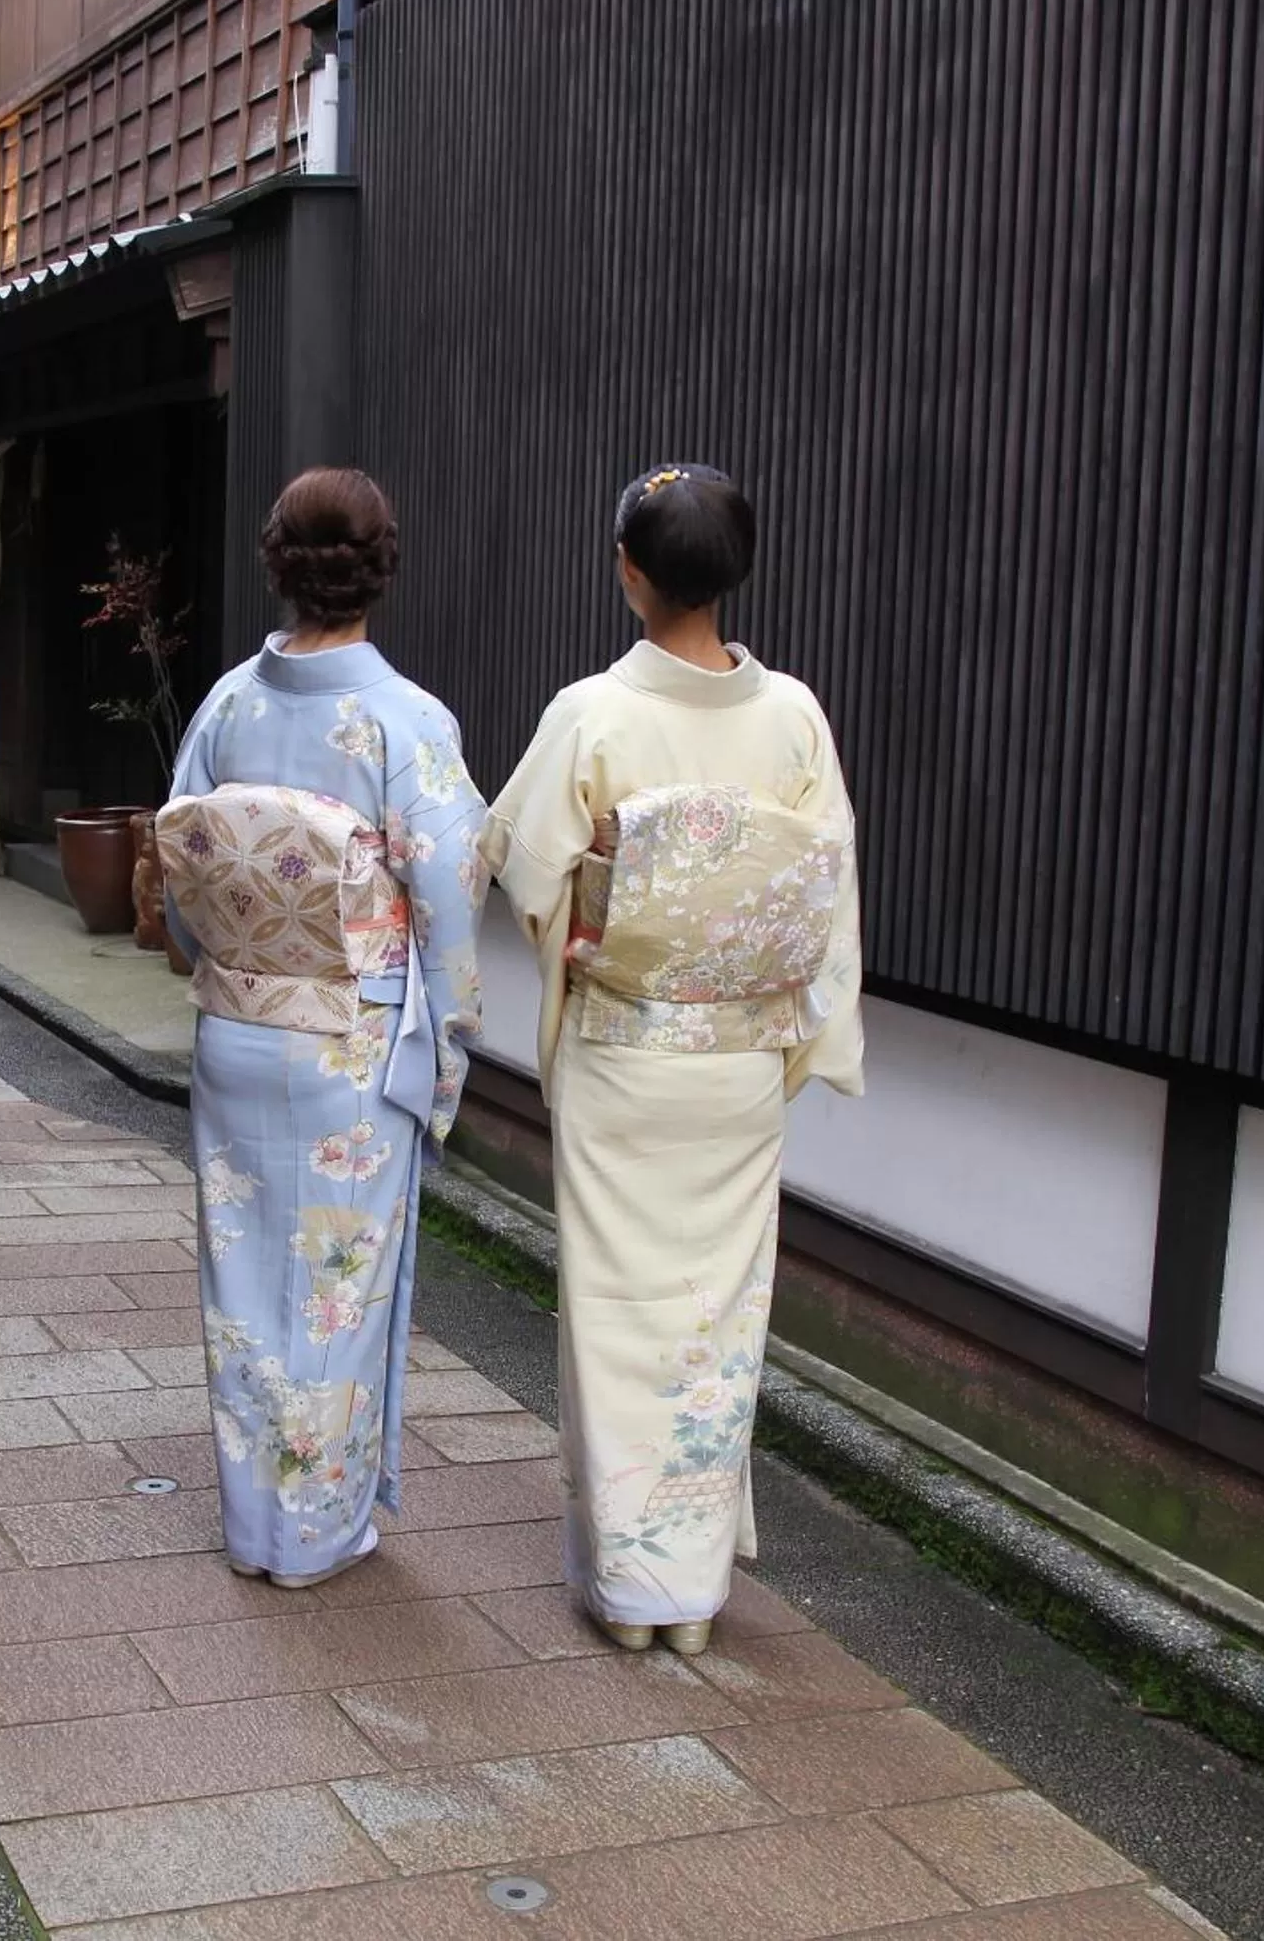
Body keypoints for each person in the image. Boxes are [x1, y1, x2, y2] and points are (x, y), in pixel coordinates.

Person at [480, 463, 864, 1655]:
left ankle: (631, 1589)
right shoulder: (794, 715)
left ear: (629, 574)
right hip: (739, 1065)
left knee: (618, 1312)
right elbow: (824, 898)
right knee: (717, 1315)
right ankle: (689, 1597)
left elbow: (526, 872)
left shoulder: (591, 714)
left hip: (626, 1054)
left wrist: (608, 897)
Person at [158, 468, 487, 1588]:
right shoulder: (406, 722)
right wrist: (450, 1047)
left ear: (277, 563)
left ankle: (256, 1526)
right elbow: (449, 903)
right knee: (336, 1292)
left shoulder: (226, 706)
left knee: (247, 1286)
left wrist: (232, 961)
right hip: (351, 1048)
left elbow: (181, 887)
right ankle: (314, 1534)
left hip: (238, 1032)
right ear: (379, 566)